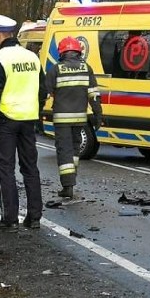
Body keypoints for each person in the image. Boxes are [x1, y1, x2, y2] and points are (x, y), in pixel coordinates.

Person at [0, 14, 47, 231]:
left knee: (5, 169)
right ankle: (34, 217)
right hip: (28, 121)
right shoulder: (32, 57)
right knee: (30, 168)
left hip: (6, 120)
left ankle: (10, 218)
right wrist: (36, 111)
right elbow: (42, 90)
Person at [46, 36, 102, 198]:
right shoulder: (87, 68)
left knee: (64, 151)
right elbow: (94, 95)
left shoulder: (56, 69)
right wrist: (98, 115)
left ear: (62, 52)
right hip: (80, 120)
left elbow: (45, 93)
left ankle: (67, 185)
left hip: (62, 120)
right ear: (78, 51)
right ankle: (71, 179)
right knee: (75, 150)